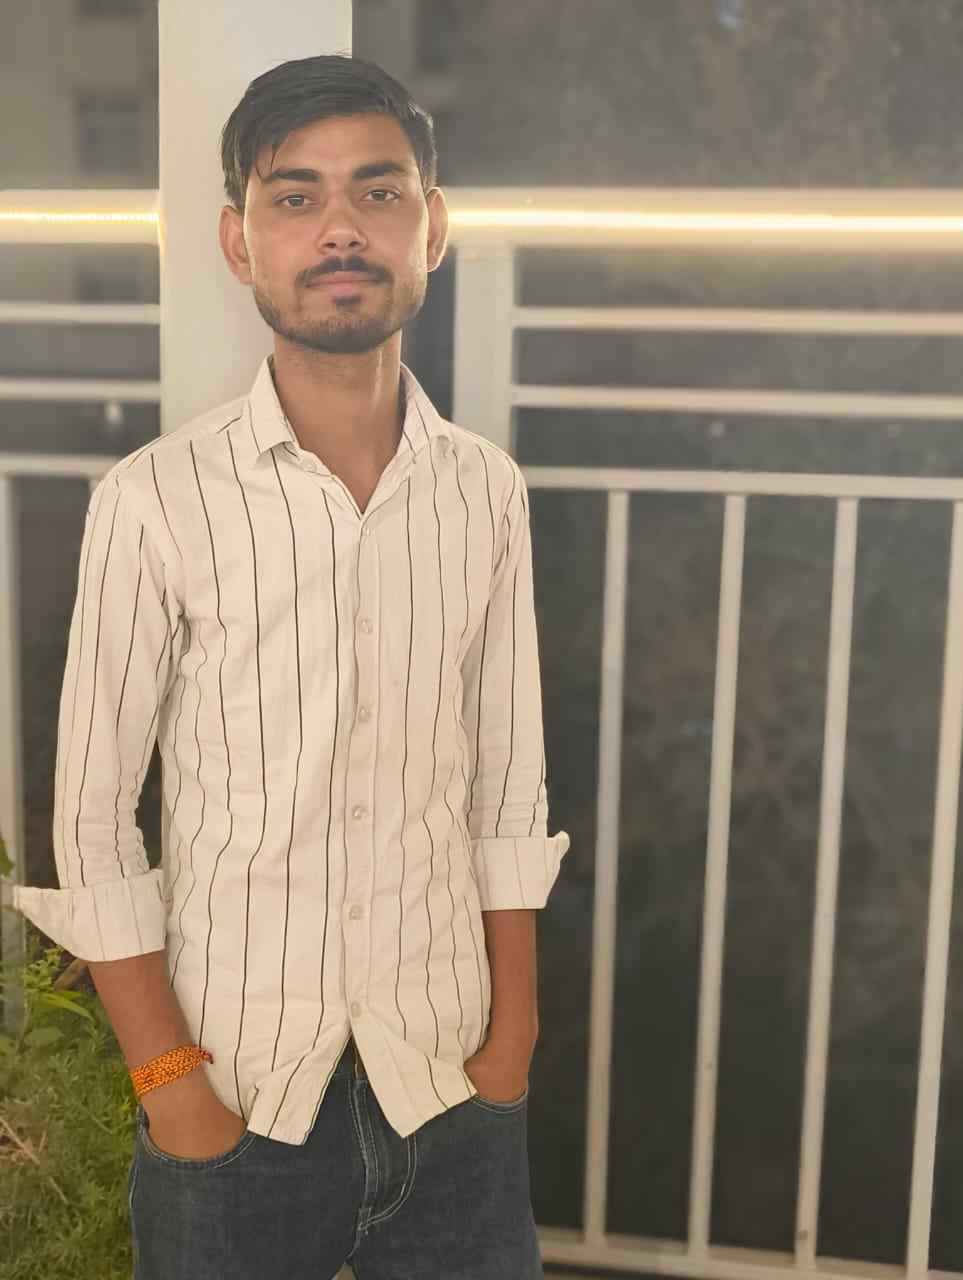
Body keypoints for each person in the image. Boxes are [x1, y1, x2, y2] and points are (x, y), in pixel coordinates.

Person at [11, 52, 570, 1279]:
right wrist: (173, 1086)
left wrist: (511, 1042)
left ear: (432, 227)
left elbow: (507, 788)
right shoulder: (155, 500)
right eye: (295, 196)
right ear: (239, 239)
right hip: (237, 1096)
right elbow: (91, 818)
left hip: (452, 1085)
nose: (340, 230)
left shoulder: (484, 491)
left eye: (378, 192)